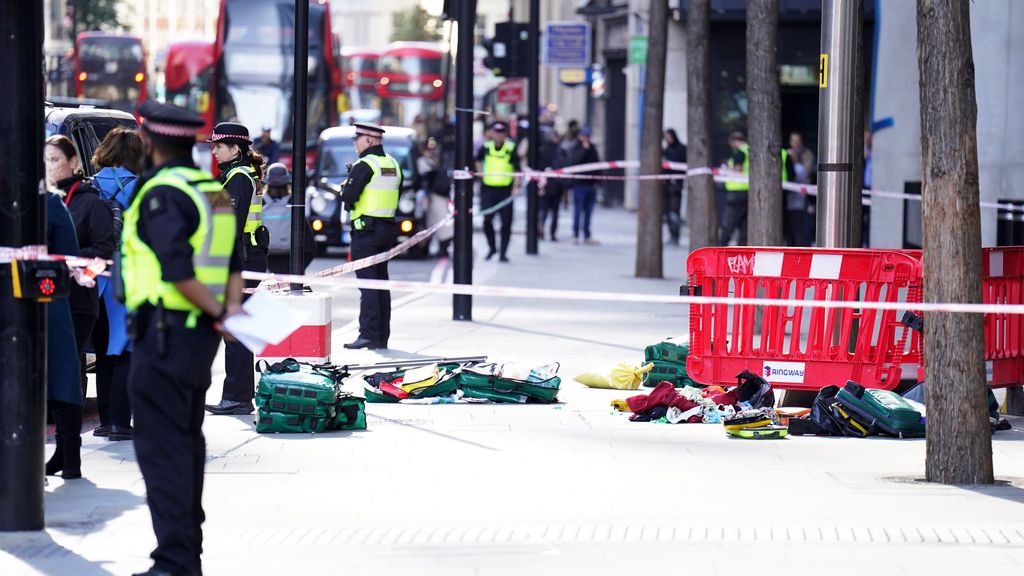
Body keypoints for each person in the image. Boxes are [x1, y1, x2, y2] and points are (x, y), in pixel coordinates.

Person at [122, 100, 243, 576]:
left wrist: (219, 312)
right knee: (187, 445)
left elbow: (176, 270)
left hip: (165, 336)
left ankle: (173, 561)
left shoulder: (161, 193)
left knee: (163, 451)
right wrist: (228, 314)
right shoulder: (210, 188)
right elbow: (231, 261)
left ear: (149, 140)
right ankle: (184, 555)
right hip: (198, 341)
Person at [44, 135, 117, 399]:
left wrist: (67, 259)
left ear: (74, 161)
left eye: (54, 160)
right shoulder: (41, 201)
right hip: (43, 296)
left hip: (76, 300)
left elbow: (104, 250)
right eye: (44, 161)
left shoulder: (90, 203)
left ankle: (68, 440)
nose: (48, 167)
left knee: (66, 367)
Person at [205, 122, 268, 415]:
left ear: (235, 149)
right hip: (247, 258)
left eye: (218, 146)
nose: (214, 151)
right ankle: (238, 395)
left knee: (236, 331)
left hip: (241, 261)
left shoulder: (239, 178)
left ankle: (237, 397)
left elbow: (228, 226)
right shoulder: (236, 175)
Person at [90, 127, 143, 441]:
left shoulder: (91, 186)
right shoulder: (141, 187)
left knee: (102, 349)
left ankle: (105, 418)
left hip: (95, 276)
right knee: (125, 348)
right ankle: (121, 422)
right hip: (129, 275)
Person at [341, 123, 402, 350]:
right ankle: (381, 336)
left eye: (357, 139)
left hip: (366, 232)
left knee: (367, 285)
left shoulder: (364, 165)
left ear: (369, 141)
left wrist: (344, 188)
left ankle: (367, 334)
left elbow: (348, 197)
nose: (355, 143)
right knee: (380, 283)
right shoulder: (392, 164)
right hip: (386, 230)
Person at [43, 189, 84, 480]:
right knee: (60, 375)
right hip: (45, 298)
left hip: (42, 300)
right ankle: (69, 456)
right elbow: (69, 254)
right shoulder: (49, 202)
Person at [475, 121, 520, 262]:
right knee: (487, 220)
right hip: (488, 189)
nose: (499, 135)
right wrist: (480, 174)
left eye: (501, 132)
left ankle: (503, 253)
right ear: (492, 133)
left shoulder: (511, 148)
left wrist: (516, 187)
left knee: (506, 223)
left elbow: (517, 168)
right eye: (496, 132)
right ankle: (492, 248)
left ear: (505, 134)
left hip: (505, 190)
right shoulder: (486, 147)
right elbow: (477, 160)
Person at [262, 162, 315, 274]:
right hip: (290, 260)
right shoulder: (295, 203)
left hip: (266, 261)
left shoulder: (260, 202)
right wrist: (299, 268)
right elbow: (310, 246)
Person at [567, 127, 601, 244]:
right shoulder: (575, 147)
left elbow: (597, 165)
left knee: (589, 212)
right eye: (584, 136)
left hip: (591, 185)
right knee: (578, 210)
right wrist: (584, 150)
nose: (586, 138)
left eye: (588, 136)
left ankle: (587, 235)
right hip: (579, 184)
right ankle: (575, 234)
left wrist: (598, 182)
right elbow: (573, 162)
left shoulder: (593, 148)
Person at [719, 131, 750, 246]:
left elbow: (738, 169)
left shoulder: (740, 152)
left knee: (728, 222)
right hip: (746, 191)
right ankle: (742, 248)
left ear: (734, 141)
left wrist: (726, 169)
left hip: (736, 192)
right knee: (743, 224)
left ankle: (722, 246)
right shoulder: (749, 150)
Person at [786, 131, 815, 247]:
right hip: (789, 197)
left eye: (797, 141)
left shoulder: (807, 154)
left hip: (803, 198)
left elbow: (804, 173)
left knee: (802, 229)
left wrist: (795, 160)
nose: (795, 144)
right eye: (793, 141)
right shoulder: (787, 154)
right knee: (791, 229)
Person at [537, 127, 566, 241]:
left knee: (543, 210)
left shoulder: (541, 150)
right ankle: (552, 233)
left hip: (544, 185)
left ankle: (542, 229)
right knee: (555, 211)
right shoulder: (559, 151)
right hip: (556, 185)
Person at [662, 128, 687, 245]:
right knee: (667, 212)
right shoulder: (666, 150)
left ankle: (676, 235)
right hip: (666, 184)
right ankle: (671, 234)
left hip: (676, 184)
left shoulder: (681, 149)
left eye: (669, 137)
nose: (668, 139)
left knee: (674, 212)